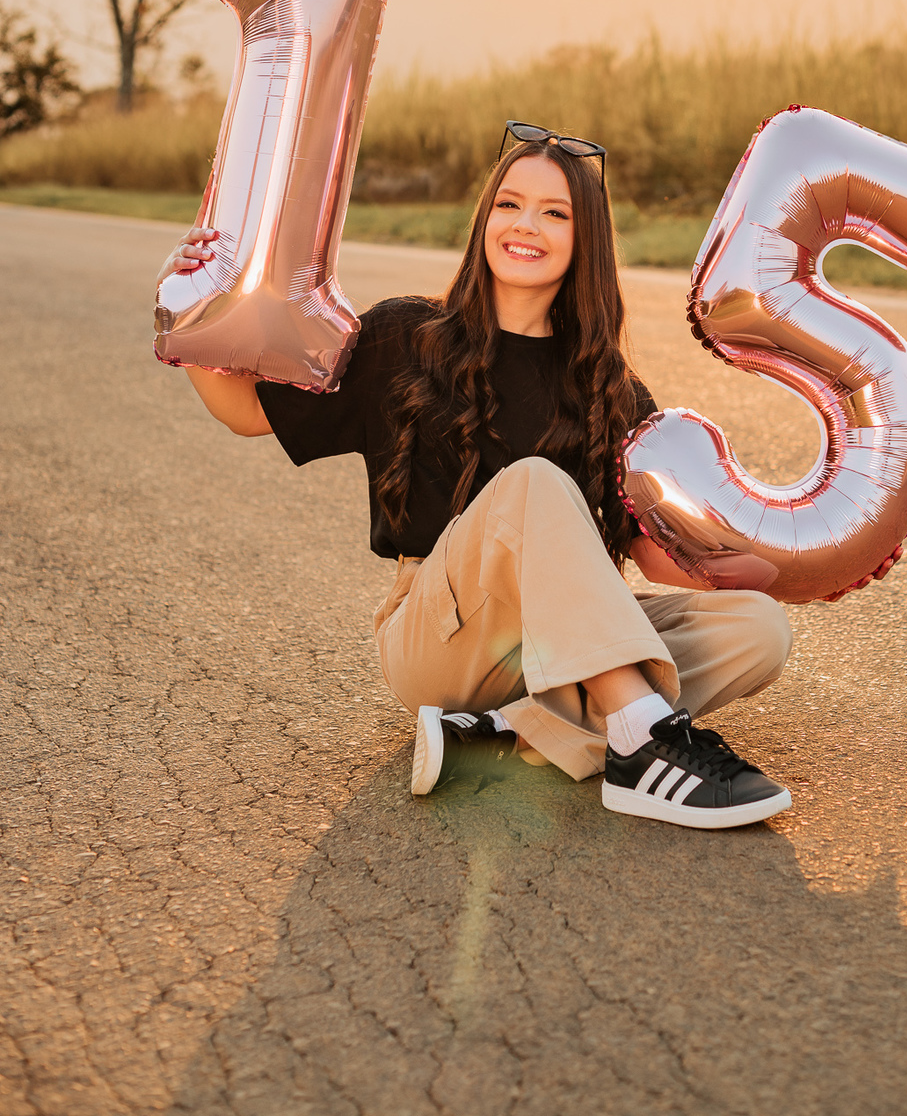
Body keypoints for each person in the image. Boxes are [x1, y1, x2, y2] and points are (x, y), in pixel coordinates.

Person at [159, 123, 794, 829]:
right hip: (440, 638)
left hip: (560, 644)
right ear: (485, 219)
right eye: (509, 205)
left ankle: (501, 738)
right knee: (533, 485)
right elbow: (246, 411)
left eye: (556, 214)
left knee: (759, 629)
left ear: (586, 242)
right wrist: (193, 313)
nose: (527, 226)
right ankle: (641, 742)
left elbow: (653, 557)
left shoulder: (611, 390)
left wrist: (796, 558)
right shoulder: (405, 336)